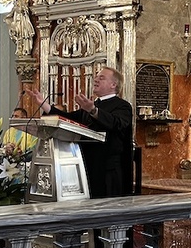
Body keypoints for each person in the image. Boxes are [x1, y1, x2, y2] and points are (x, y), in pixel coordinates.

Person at [27, 67, 133, 199]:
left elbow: (117, 123)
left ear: (113, 84)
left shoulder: (122, 106)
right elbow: (68, 119)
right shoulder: (92, 105)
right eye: (96, 77)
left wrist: (93, 110)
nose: (96, 80)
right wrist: (44, 105)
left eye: (101, 78)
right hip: (87, 164)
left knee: (107, 206)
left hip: (107, 168)